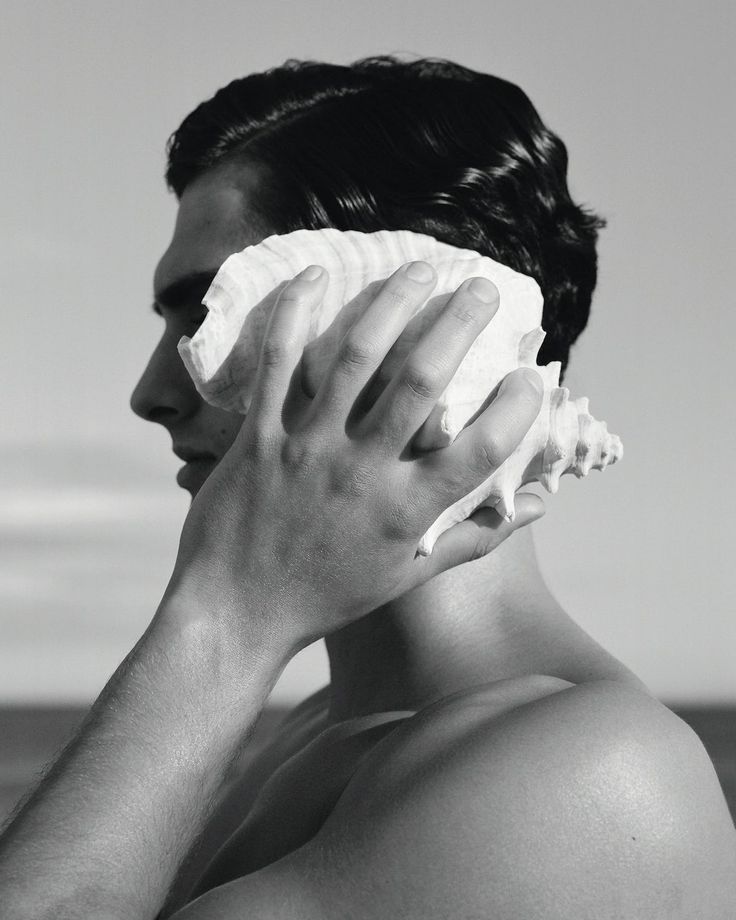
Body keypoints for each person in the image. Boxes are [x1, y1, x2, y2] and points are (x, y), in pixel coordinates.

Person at [1, 55, 734, 919]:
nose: (152, 392)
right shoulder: (319, 726)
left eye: (212, 316)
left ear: (415, 333)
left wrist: (229, 615)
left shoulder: (586, 774)